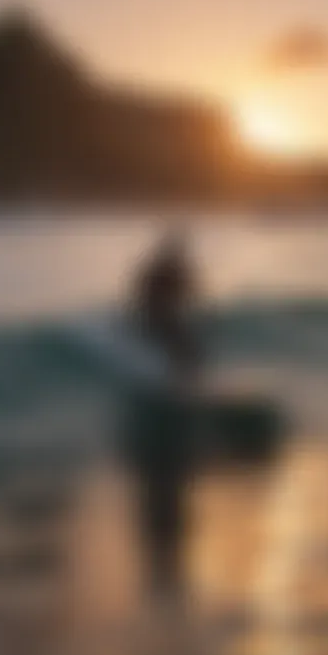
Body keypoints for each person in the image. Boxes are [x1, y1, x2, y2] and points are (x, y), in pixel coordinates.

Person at [123, 227, 205, 605]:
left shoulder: (172, 267)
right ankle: (173, 391)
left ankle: (179, 391)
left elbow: (193, 292)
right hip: (153, 320)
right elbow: (141, 298)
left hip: (160, 320)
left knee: (188, 349)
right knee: (182, 347)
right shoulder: (158, 268)